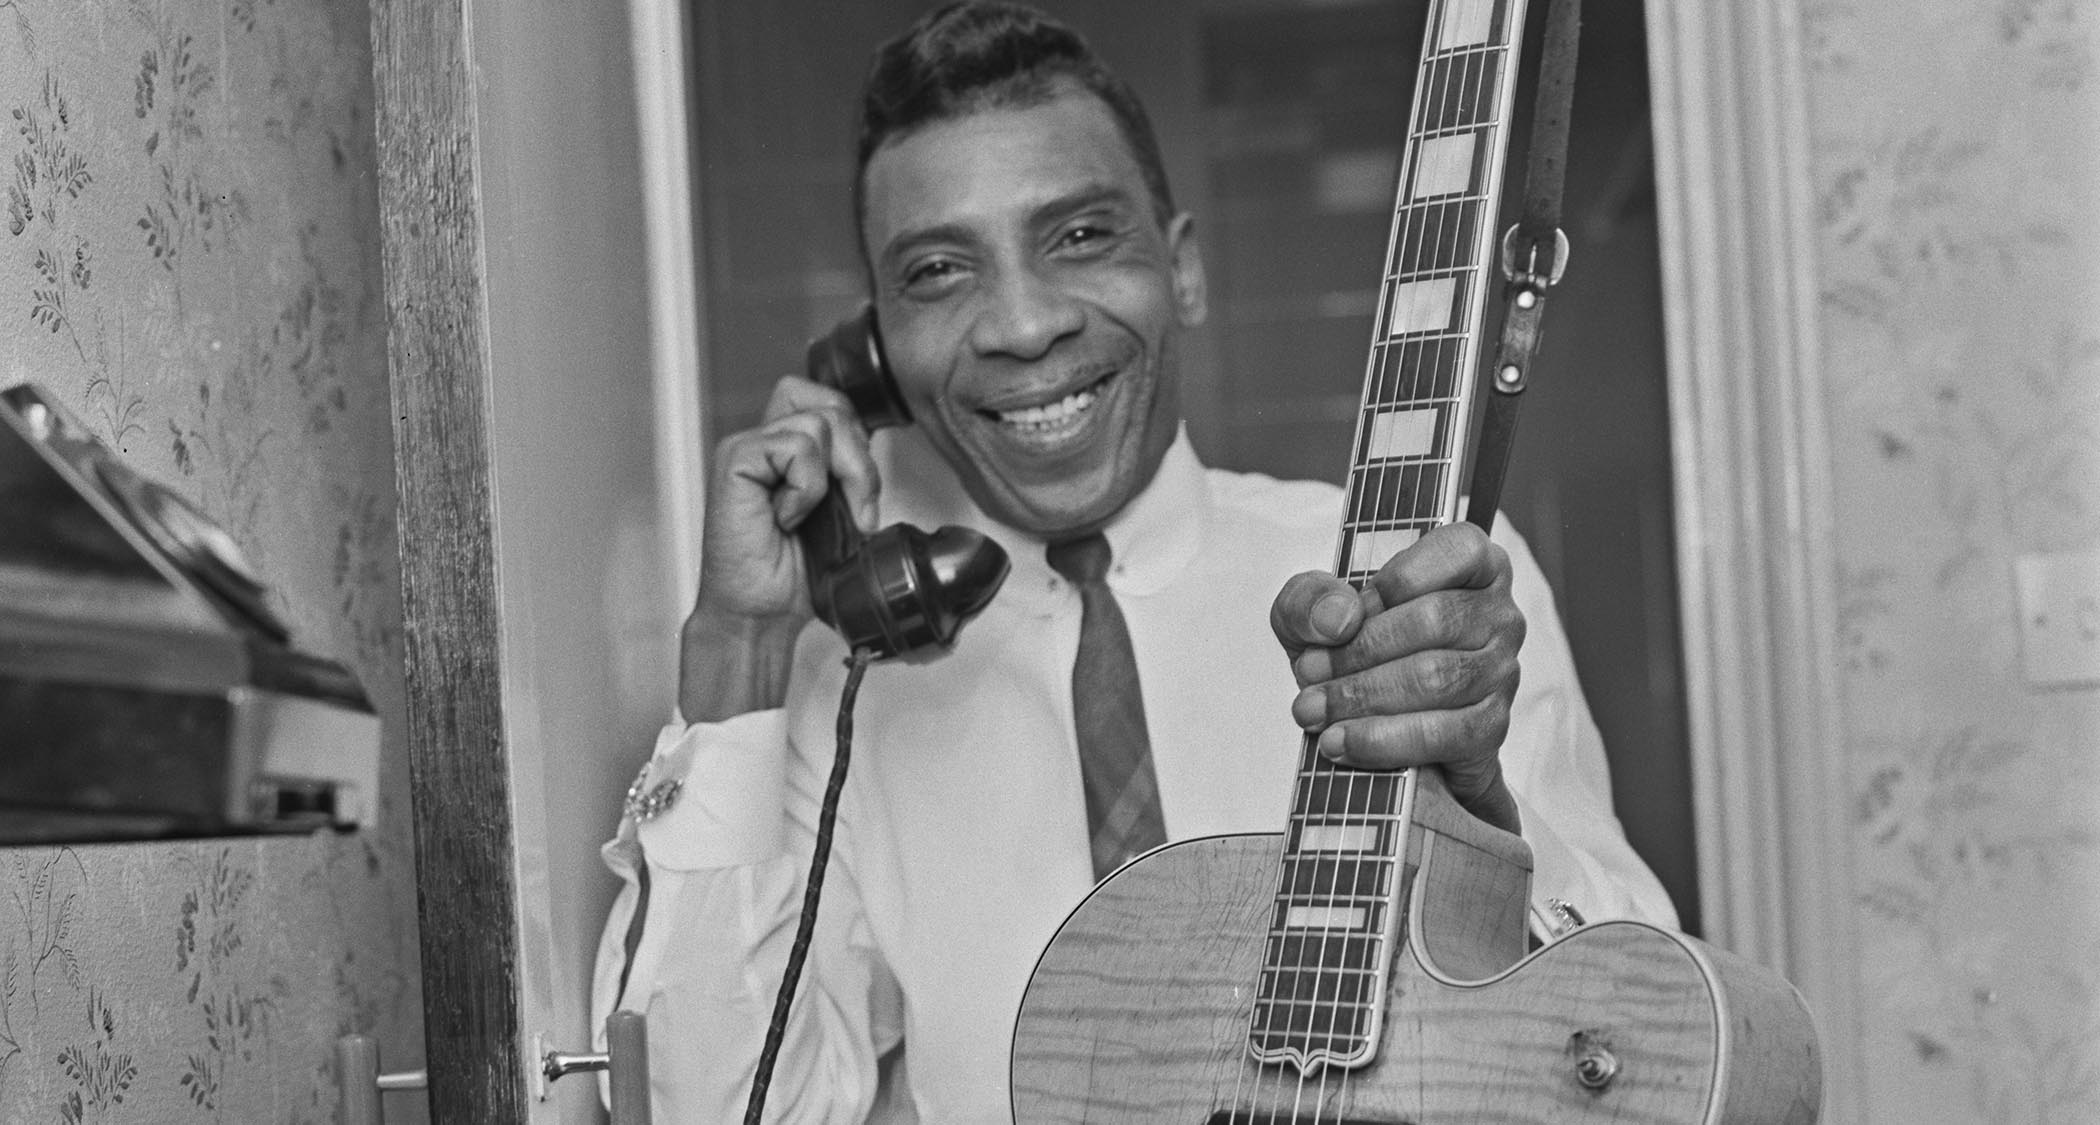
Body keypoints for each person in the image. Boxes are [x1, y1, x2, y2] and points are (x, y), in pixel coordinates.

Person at [593, 3, 1675, 1120]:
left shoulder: (1424, 581)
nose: (1020, 325)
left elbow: (1643, 1050)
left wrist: (1486, 821)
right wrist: (738, 653)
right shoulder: (843, 688)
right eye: (937, 272)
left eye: (1078, 236)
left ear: (1186, 272)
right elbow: (708, 1108)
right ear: (875, 355)